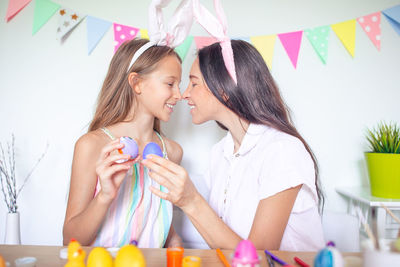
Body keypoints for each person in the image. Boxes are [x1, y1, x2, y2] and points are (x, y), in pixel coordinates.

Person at [142, 39, 325, 251]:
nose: (184, 94)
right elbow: (219, 237)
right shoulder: (220, 153)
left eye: (193, 83)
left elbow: (257, 259)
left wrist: (190, 201)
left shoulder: (282, 151)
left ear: (224, 88)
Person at [62, 38, 183, 248]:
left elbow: (156, 216)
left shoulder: (171, 152)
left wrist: (174, 240)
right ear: (136, 83)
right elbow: (70, 240)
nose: (179, 95)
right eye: (170, 84)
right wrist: (105, 196)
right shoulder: (92, 146)